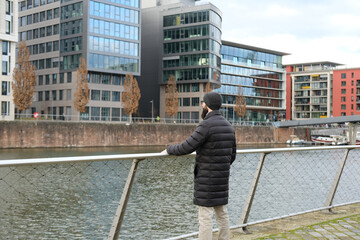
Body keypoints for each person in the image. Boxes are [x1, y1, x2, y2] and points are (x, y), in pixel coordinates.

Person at [162, 92, 237, 240]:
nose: (202, 105)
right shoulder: (229, 126)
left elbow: (186, 147)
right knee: (222, 214)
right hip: (221, 178)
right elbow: (232, 155)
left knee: (205, 217)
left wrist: (169, 149)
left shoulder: (206, 125)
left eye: (203, 103)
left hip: (206, 179)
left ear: (206, 105)